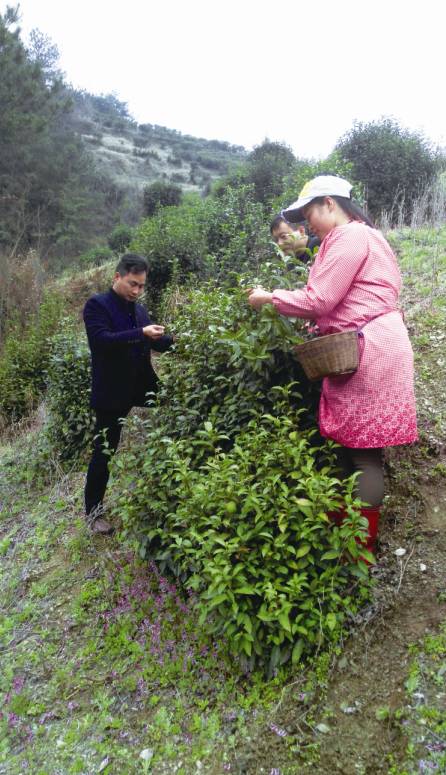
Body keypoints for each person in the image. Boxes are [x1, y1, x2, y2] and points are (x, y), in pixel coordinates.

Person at [247, 176, 418, 555]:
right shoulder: (367, 236)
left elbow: (319, 299)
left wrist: (269, 298)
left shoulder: (349, 236)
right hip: (376, 344)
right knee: (359, 448)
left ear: (329, 203)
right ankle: (351, 529)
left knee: (364, 454)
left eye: (308, 213)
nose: (306, 224)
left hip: (369, 349)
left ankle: (359, 547)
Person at [83, 253, 174, 534]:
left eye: (141, 286)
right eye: (132, 284)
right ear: (117, 277)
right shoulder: (97, 305)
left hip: (142, 385)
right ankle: (94, 514)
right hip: (111, 392)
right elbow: (101, 342)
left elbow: (155, 342)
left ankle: (173, 486)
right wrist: (140, 333)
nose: (137, 291)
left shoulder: (140, 310)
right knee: (104, 451)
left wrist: (183, 341)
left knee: (178, 411)